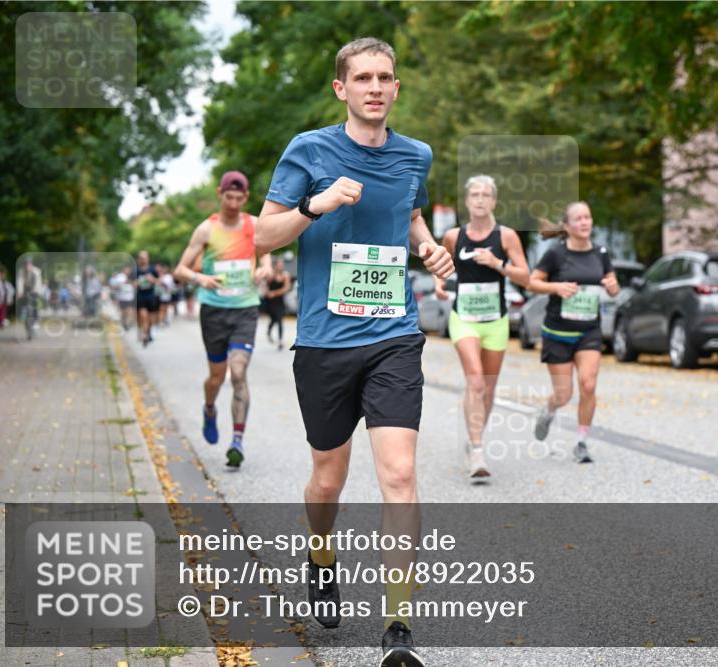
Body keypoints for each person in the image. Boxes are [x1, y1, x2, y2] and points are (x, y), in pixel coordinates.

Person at [256, 37, 453, 667]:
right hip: (322, 342)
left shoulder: (415, 155)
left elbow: (410, 213)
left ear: (397, 88)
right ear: (341, 88)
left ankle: (399, 626)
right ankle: (319, 555)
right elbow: (262, 234)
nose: (375, 86)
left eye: (385, 77)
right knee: (328, 480)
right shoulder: (308, 149)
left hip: (393, 335)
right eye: (362, 77)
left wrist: (427, 246)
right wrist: (316, 204)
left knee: (398, 475)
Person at [174, 171, 272, 468]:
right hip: (214, 311)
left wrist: (264, 269)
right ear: (220, 194)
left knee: (238, 371)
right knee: (216, 377)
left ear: (245, 197)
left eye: (238, 198)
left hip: (245, 308)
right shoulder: (206, 230)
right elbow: (180, 270)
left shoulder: (255, 226)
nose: (232, 203)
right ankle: (209, 408)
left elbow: (266, 256)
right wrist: (200, 278)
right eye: (228, 197)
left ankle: (237, 441)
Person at [435, 174, 529, 479]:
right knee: (475, 380)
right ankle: (477, 449)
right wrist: (439, 284)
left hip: (496, 321)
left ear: (494, 201)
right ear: (466, 201)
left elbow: (526, 277)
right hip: (464, 318)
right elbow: (441, 263)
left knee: (487, 388)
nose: (479, 199)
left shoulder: (507, 237)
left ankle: (476, 436)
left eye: (485, 194)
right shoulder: (453, 236)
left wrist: (497, 264)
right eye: (474, 194)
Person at [529, 202, 619, 464]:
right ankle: (548, 410)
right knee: (564, 394)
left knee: (589, 385)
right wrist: (557, 287)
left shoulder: (601, 253)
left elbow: (613, 288)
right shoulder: (556, 255)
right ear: (567, 226)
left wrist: (613, 287)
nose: (584, 222)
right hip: (557, 332)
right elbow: (532, 282)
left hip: (589, 330)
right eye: (578, 218)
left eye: (588, 217)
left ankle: (581, 442)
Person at [262, 257, 292, 350]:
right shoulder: (271, 275)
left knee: (279, 320)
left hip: (279, 301)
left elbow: (286, 288)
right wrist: (267, 292)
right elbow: (265, 286)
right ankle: (269, 331)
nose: (280, 266)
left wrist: (274, 293)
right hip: (270, 302)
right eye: (279, 264)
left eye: (281, 264)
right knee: (273, 319)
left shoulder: (285, 275)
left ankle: (280, 340)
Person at [134, 251, 159, 346]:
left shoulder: (153, 269)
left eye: (144, 257)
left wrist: (152, 279)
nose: (143, 259)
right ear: (138, 259)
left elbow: (159, 281)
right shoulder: (136, 270)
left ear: (148, 258)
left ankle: (148, 332)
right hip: (141, 296)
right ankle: (144, 334)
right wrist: (137, 283)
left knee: (151, 319)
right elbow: (132, 283)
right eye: (141, 258)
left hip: (151, 296)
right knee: (143, 316)